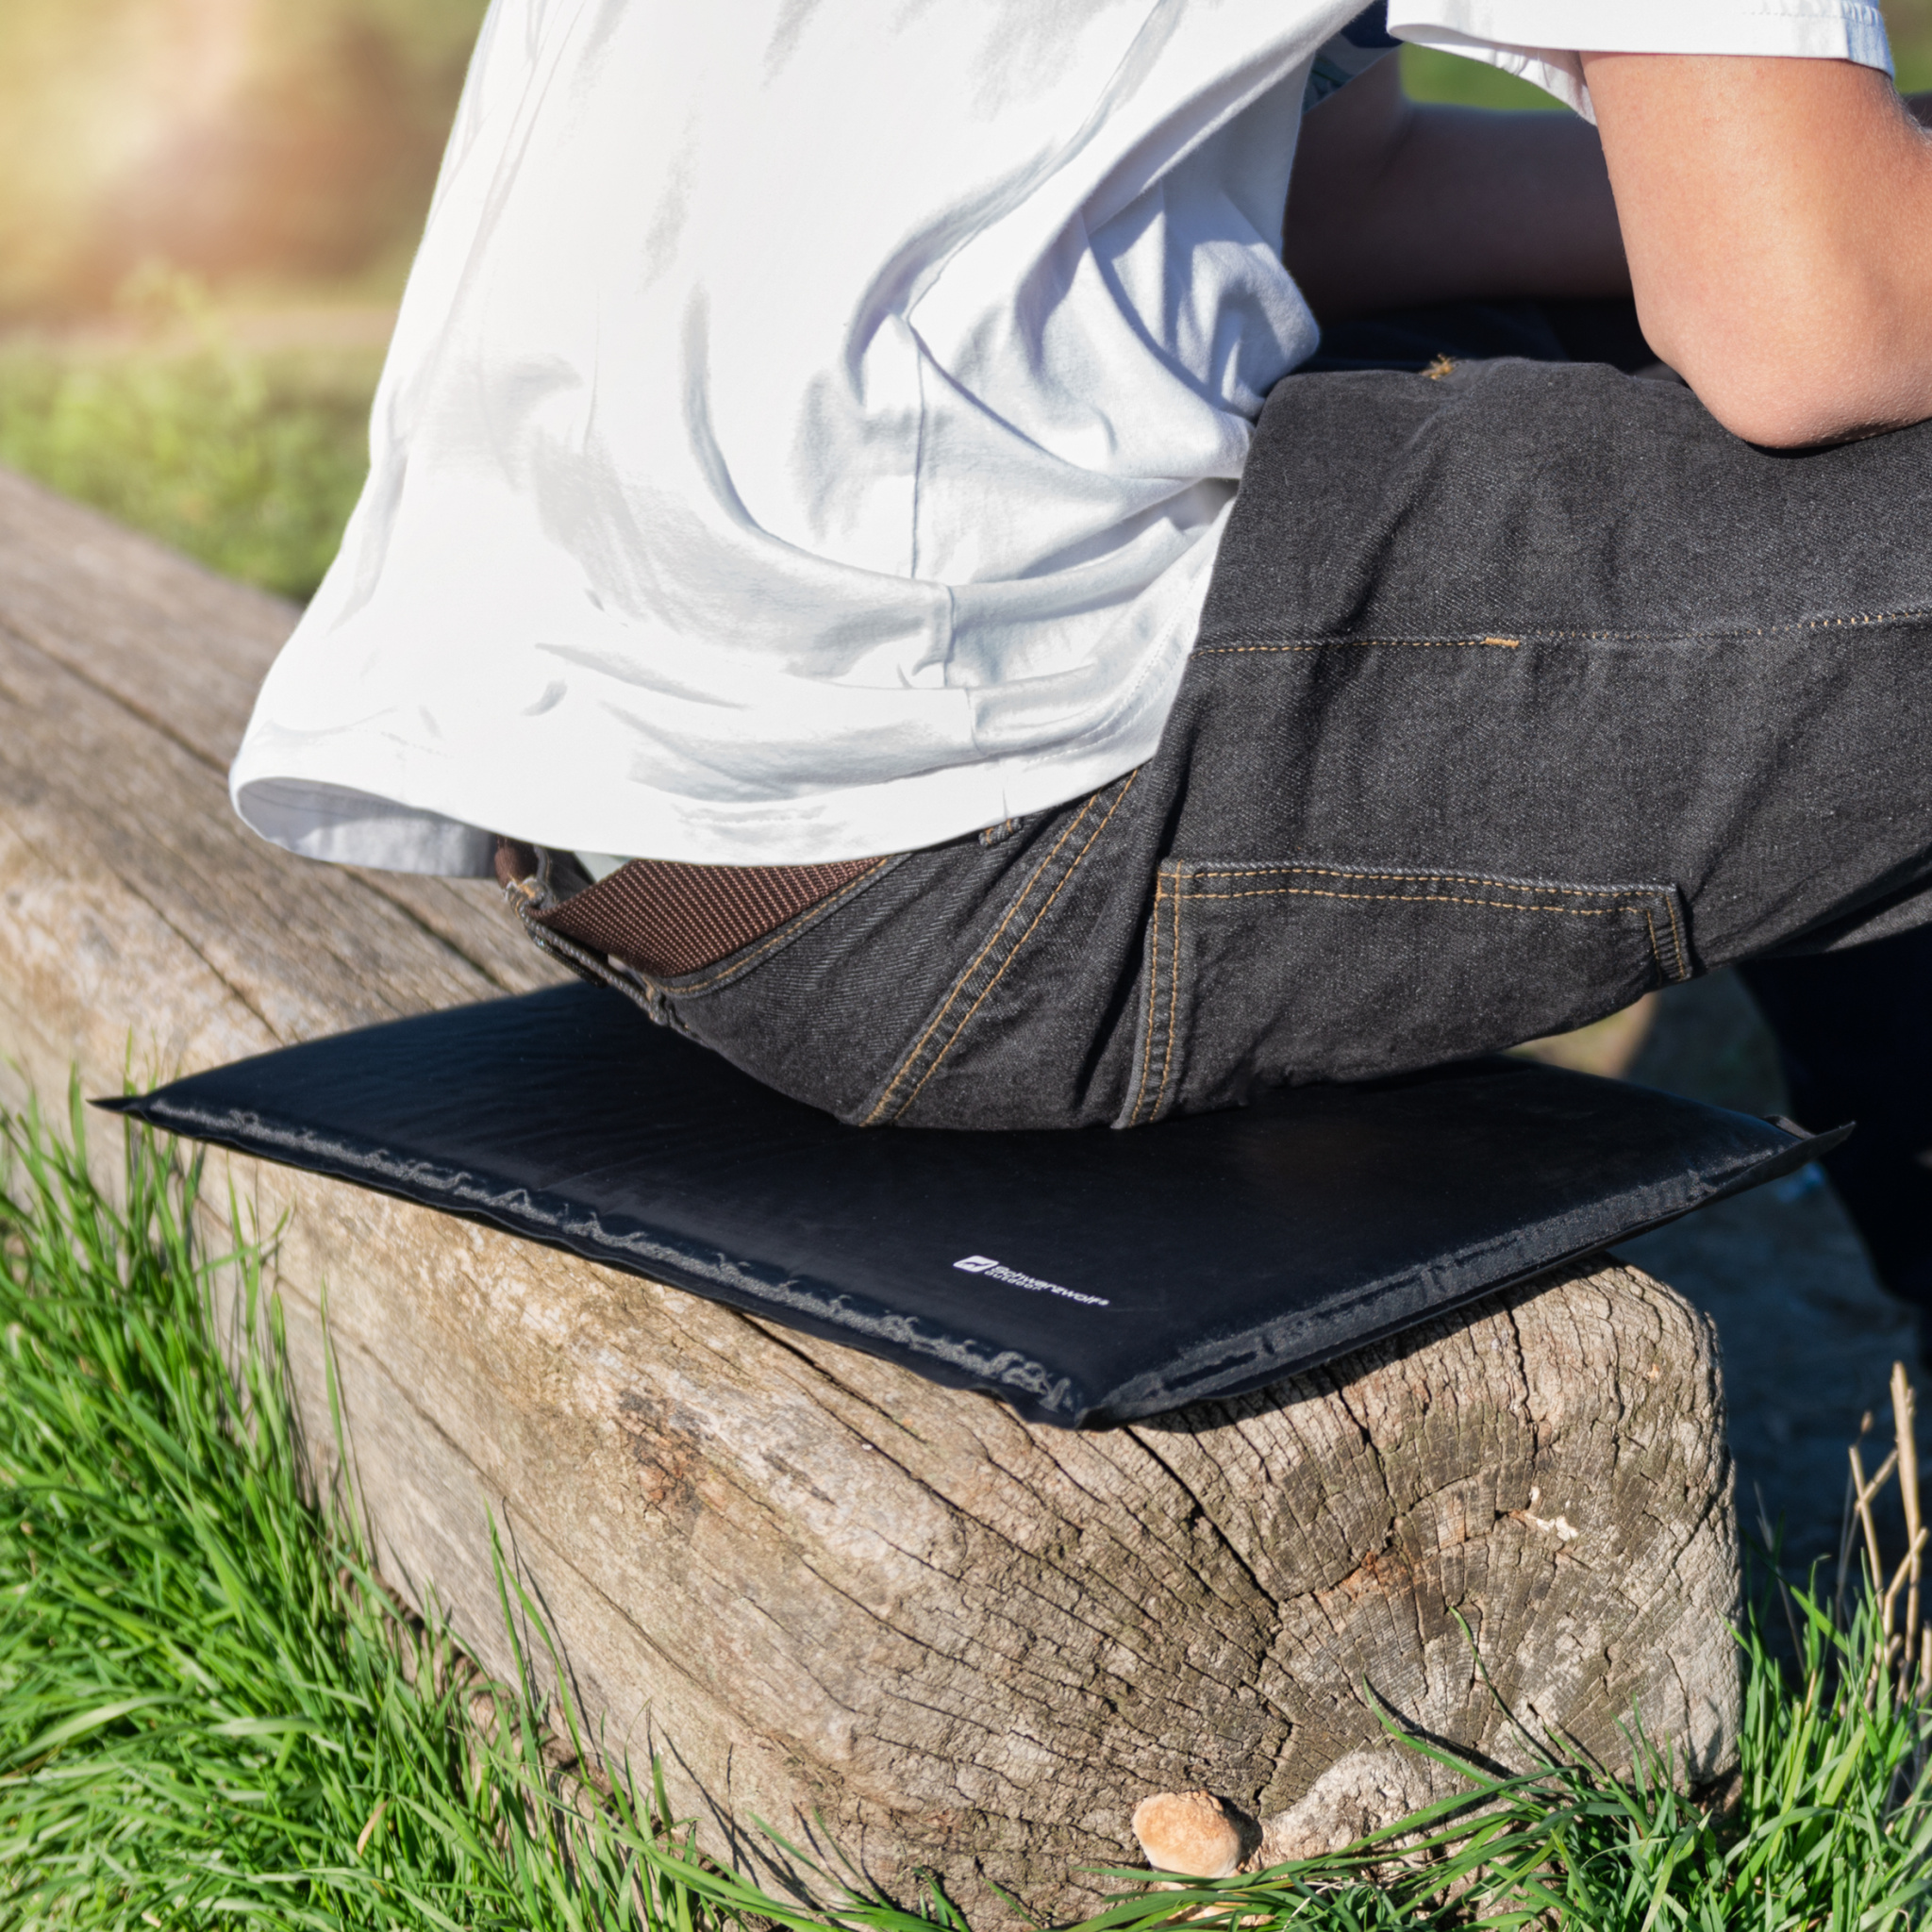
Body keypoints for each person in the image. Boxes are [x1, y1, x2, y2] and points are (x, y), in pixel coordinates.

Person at [228, 6, 1932, 1324]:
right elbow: (1814, 314)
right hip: (939, 840)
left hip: (640, 790)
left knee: (1678, 354)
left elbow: (1340, 205)